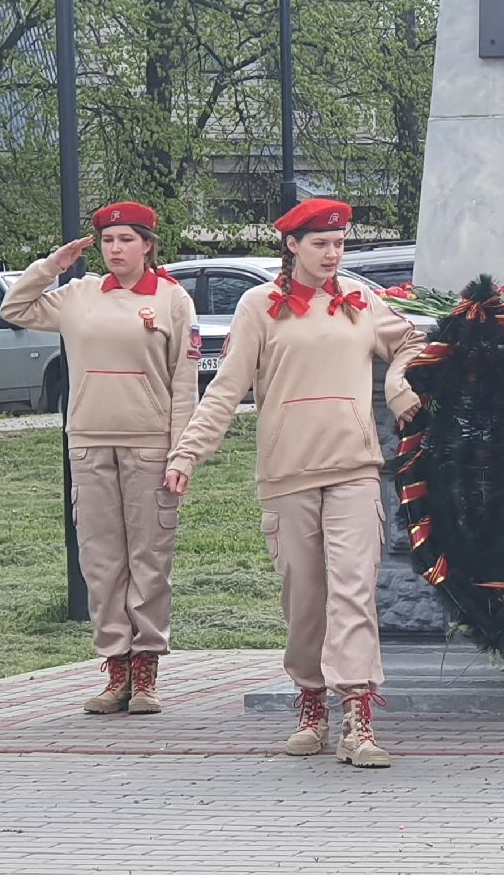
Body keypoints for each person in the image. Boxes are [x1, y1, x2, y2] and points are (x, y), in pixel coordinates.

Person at [164, 198, 423, 768]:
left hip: (354, 468)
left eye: (340, 244)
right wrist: (189, 452)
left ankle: (358, 714)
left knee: (354, 590)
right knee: (305, 599)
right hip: (288, 472)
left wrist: (399, 386)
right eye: (320, 244)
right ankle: (311, 699)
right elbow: (226, 388)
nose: (332, 254)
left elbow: (411, 343)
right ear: (292, 245)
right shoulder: (259, 306)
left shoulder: (362, 301)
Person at [1, 202, 200, 715]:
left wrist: (183, 451)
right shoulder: (79, 295)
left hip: (150, 444)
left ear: (148, 245)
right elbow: (14, 309)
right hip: (89, 442)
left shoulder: (172, 298)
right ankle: (116, 666)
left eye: (127, 239)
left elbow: (184, 382)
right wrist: (53, 265)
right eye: (108, 240)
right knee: (101, 558)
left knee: (149, 558)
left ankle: (146, 666)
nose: (116, 249)